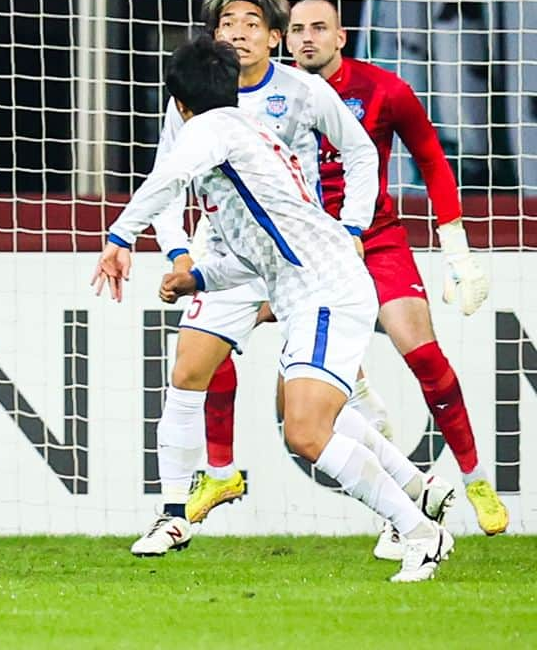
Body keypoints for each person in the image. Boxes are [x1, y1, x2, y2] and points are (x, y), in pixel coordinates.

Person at [95, 36, 455, 584]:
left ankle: (419, 532)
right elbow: (260, 254)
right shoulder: (249, 136)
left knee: (306, 432)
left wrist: (120, 236)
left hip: (325, 292)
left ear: (180, 104)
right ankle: (419, 493)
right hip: (311, 290)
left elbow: (166, 179)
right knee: (317, 416)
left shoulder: (211, 129)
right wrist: (196, 276)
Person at [95, 0, 385, 554]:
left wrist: (353, 226)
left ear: (275, 37)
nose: (239, 34)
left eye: (252, 24)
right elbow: (168, 179)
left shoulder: (302, 91)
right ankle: (173, 512)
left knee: (308, 409)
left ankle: (402, 506)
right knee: (187, 371)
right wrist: (179, 251)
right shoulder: (196, 101)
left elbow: (359, 150)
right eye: (228, 24)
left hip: (298, 262)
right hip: (229, 259)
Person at [285, 0, 508, 545]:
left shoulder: (384, 89)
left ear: (342, 37)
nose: (307, 37)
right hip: (308, 255)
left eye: (320, 27)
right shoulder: (274, 97)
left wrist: (455, 247)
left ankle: (476, 479)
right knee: (321, 400)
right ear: (284, 40)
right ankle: (406, 507)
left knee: (423, 353)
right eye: (296, 29)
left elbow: (431, 158)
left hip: (377, 241)